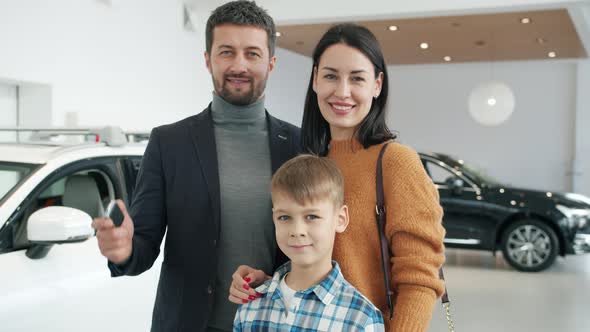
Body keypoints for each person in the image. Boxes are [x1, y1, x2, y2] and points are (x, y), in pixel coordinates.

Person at [91, 1, 300, 331]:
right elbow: (142, 247)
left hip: (277, 324)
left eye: (252, 53)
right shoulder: (169, 143)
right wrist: (124, 250)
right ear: (208, 60)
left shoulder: (300, 147)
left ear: (271, 63)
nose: (239, 65)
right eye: (226, 52)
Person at [229, 23, 446, 331]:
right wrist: (273, 284)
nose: (342, 91)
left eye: (357, 78)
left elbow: (420, 279)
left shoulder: (396, 162)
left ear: (377, 84)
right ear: (315, 78)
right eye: (331, 75)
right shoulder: (310, 161)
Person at [233, 154, 384, 331]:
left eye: (312, 216)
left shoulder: (361, 318)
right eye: (284, 217)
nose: (297, 231)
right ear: (274, 218)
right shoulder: (251, 306)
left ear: (340, 219)